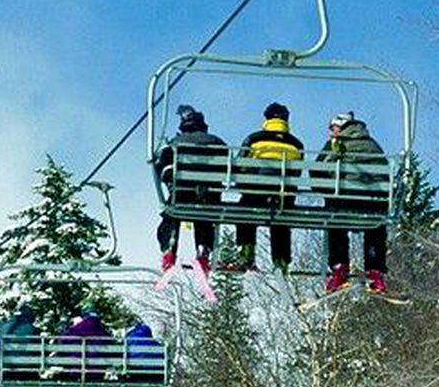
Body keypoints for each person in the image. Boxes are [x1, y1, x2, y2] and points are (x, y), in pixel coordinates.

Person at [318, 111, 390, 294]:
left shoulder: (336, 144)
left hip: (344, 200)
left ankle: (339, 267)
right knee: (375, 227)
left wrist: (327, 192)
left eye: (332, 128)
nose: (330, 132)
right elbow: (384, 173)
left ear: (341, 128)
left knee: (336, 223)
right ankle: (375, 271)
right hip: (373, 201)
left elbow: (318, 172)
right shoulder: (373, 145)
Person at [154, 104, 227, 273]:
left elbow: (161, 166)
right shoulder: (217, 142)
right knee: (204, 216)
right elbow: (229, 167)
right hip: (209, 193)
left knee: (171, 215)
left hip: (181, 192)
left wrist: (167, 179)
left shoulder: (175, 142)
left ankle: (169, 250)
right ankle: (203, 251)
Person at [232, 102, 304, 272]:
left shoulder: (255, 139)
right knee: (281, 220)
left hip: (255, 194)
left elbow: (239, 166)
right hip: (282, 196)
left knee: (244, 212)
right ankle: (281, 260)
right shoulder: (296, 144)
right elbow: (297, 172)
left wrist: (244, 183)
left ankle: (246, 253)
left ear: (266, 118)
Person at [55, 312, 109, 387]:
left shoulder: (74, 330)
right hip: (95, 373)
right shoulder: (103, 332)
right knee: (97, 383)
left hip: (74, 372)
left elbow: (61, 346)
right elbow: (110, 352)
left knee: (59, 381)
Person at [119, 322, 166, 387]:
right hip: (154, 378)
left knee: (128, 386)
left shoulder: (129, 343)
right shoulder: (157, 345)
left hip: (135, 377)